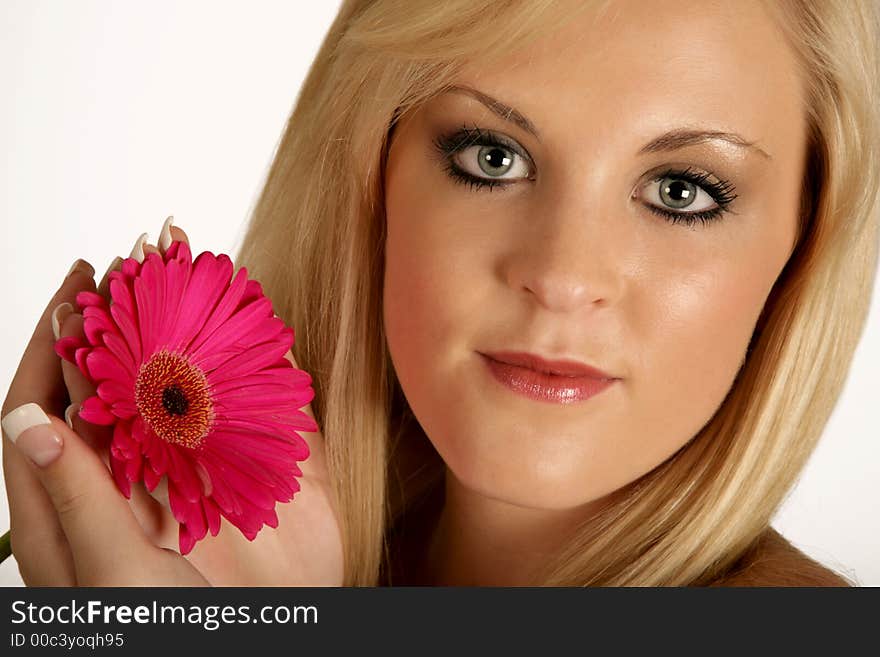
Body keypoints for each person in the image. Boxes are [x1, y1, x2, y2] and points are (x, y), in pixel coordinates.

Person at [2, 0, 878, 587]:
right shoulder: (258, 565)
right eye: (492, 156)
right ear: (372, 178)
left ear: (806, 242)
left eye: (682, 191)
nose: (563, 275)